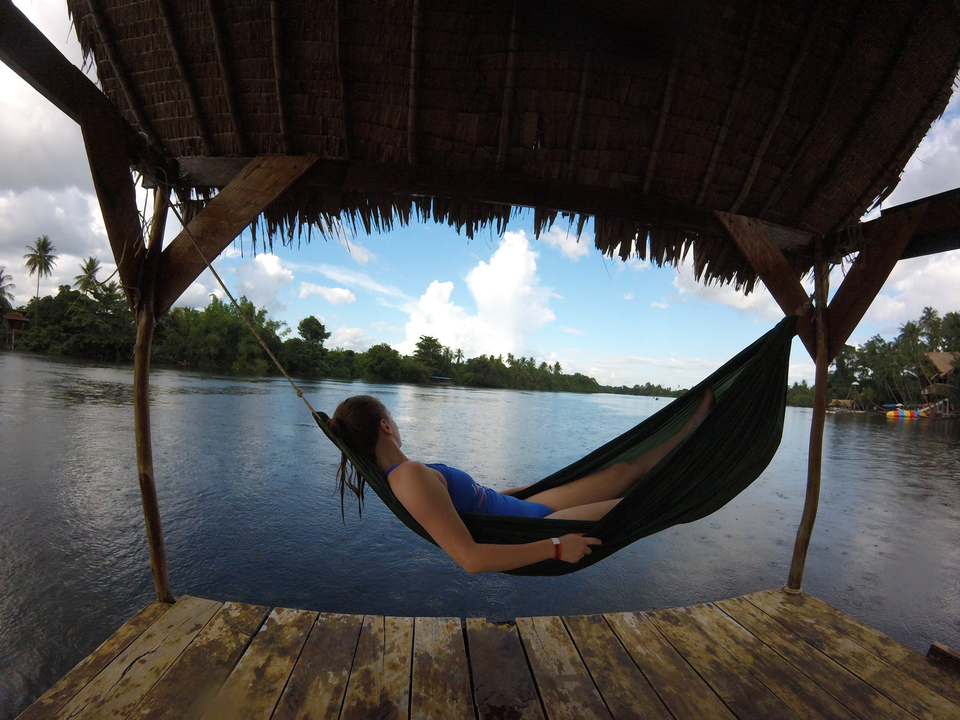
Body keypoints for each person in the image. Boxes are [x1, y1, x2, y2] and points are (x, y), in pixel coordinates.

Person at [328, 391, 714, 573]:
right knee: (639, 502)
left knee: (622, 472)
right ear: (384, 426)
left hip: (527, 505)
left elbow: (476, 503)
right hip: (536, 527)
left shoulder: (408, 472)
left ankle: (692, 428)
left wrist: (526, 490)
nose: (396, 423)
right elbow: (471, 559)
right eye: (392, 418)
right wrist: (558, 547)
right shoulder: (408, 477)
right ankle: (709, 472)